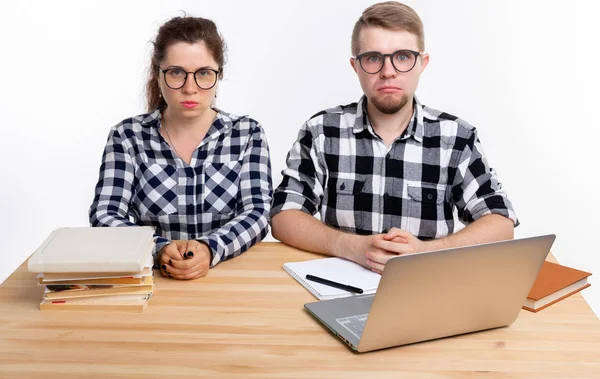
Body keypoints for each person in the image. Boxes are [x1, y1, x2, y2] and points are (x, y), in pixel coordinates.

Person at [270, 1, 517, 274]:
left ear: (422, 63)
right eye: (374, 58)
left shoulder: (456, 137)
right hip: (338, 288)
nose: (388, 71)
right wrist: (352, 246)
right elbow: (284, 215)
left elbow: (500, 221)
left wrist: (424, 252)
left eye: (402, 57)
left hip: (425, 287)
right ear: (356, 66)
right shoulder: (321, 131)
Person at [89, 16, 272, 280]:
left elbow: (258, 212)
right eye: (176, 72)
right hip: (150, 282)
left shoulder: (247, 134)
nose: (189, 88)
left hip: (227, 279)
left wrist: (210, 248)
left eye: (203, 74)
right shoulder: (127, 136)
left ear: (219, 74)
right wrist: (156, 248)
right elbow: (105, 214)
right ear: (158, 73)